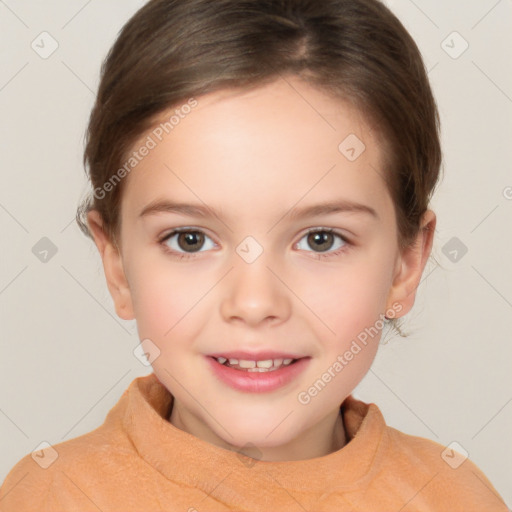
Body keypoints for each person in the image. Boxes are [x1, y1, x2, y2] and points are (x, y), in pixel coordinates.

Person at [0, 0, 508, 510]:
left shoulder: (455, 497)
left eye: (321, 239)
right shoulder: (53, 497)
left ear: (406, 264)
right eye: (190, 239)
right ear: (116, 265)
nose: (254, 302)